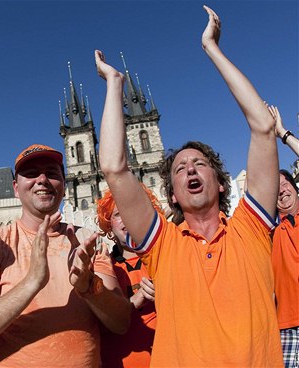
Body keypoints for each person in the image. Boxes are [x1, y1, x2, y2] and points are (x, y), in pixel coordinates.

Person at [95, 6, 282, 367]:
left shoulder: (252, 229)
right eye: (180, 168)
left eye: (200, 163)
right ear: (173, 194)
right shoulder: (163, 244)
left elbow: (262, 125)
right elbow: (114, 168)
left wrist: (211, 48)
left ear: (221, 184)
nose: (191, 169)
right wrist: (114, 85)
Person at [0, 144, 131, 367]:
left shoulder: (88, 241)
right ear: (16, 188)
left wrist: (89, 287)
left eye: (51, 173)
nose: (42, 179)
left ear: (64, 186)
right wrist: (31, 283)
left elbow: (121, 322)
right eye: (31, 173)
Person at [96, 187, 159, 368]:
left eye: (133, 210)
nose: (127, 218)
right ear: (108, 224)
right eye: (118, 214)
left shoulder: (164, 257)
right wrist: (133, 302)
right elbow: (95, 325)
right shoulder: (102, 268)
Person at [272, 170, 299, 368]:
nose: (281, 190)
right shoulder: (268, 234)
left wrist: (285, 136)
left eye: (284, 183)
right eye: (275, 188)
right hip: (287, 327)